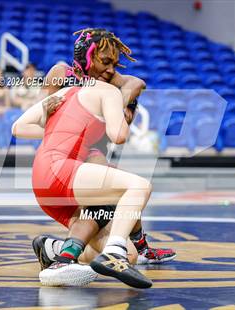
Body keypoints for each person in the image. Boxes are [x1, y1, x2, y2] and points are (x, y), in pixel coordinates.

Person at [30, 29, 175, 279]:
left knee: (122, 248)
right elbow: (40, 120)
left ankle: (55, 251)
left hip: (84, 156)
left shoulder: (106, 79)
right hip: (64, 157)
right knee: (115, 189)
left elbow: (136, 82)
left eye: (114, 64)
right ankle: (140, 247)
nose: (110, 70)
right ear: (87, 58)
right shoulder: (61, 73)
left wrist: (121, 102)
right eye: (105, 61)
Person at [12, 80, 153, 289]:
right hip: (61, 174)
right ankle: (65, 261)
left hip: (60, 182)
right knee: (112, 200)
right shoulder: (97, 100)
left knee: (129, 254)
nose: (128, 118)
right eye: (128, 110)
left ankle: (55, 249)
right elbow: (136, 83)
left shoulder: (97, 117)